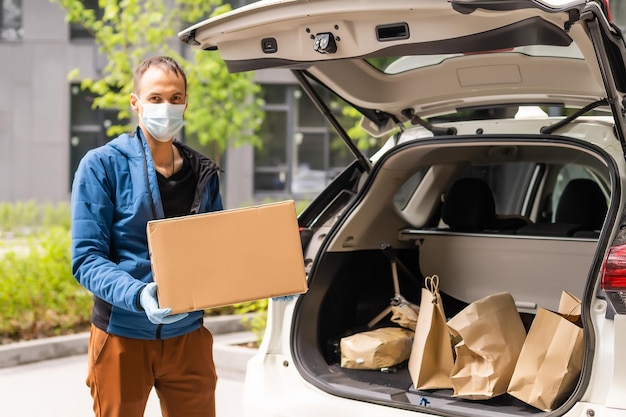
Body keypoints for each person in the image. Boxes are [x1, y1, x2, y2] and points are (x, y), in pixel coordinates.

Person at [71, 55, 222, 417]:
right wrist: (138, 294)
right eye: (155, 98)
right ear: (135, 102)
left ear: (186, 102)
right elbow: (86, 258)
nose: (166, 107)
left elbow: (218, 250)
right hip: (122, 335)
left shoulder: (205, 173)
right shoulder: (101, 165)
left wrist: (267, 281)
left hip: (188, 336)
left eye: (175, 98)